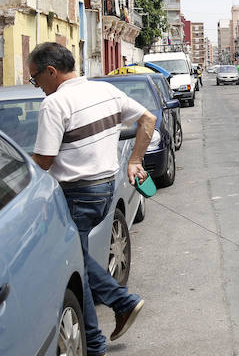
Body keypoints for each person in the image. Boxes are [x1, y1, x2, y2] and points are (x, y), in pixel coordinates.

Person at [28, 42, 156, 356]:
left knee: (75, 263)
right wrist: (135, 160)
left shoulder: (55, 104)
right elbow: (148, 119)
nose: (37, 86)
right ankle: (116, 309)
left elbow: (44, 161)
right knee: (79, 260)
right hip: (105, 190)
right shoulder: (106, 91)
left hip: (75, 195)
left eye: (35, 79)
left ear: (51, 72)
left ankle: (99, 335)